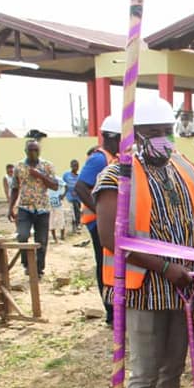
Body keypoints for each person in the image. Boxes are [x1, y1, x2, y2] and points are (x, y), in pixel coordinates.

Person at [93, 95, 194, 388]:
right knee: (145, 372)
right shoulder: (117, 174)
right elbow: (112, 235)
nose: (162, 139)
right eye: (153, 133)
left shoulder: (185, 168)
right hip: (143, 289)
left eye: (167, 131)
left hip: (184, 286)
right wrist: (166, 268)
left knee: (173, 368)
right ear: (134, 135)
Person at [74, 115, 121, 325]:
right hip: (97, 223)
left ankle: (116, 311)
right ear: (113, 137)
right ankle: (111, 313)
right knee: (105, 265)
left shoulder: (112, 157)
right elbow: (80, 187)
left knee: (112, 265)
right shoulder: (99, 159)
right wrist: (102, 213)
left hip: (106, 221)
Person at [9, 139, 57, 278]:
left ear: (39, 151)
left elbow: (54, 185)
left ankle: (39, 269)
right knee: (22, 236)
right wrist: (10, 207)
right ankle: (27, 264)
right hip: (25, 208)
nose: (33, 153)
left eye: (36, 150)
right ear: (25, 151)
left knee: (41, 241)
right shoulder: (19, 167)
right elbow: (14, 188)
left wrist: (40, 175)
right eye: (30, 150)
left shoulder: (47, 166)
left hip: (42, 209)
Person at [62, 159, 81, 233]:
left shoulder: (80, 176)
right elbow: (63, 185)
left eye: (76, 166)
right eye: (73, 166)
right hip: (69, 196)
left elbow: (81, 186)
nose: (75, 167)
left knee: (77, 210)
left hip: (78, 197)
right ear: (71, 166)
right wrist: (63, 194)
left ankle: (77, 225)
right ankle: (76, 224)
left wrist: (77, 192)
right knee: (74, 209)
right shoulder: (66, 175)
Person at [48, 175, 68, 243]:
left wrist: (63, 195)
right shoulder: (45, 178)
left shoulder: (58, 179)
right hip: (49, 202)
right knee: (51, 220)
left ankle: (62, 236)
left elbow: (66, 186)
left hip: (58, 202)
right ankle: (54, 238)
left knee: (61, 218)